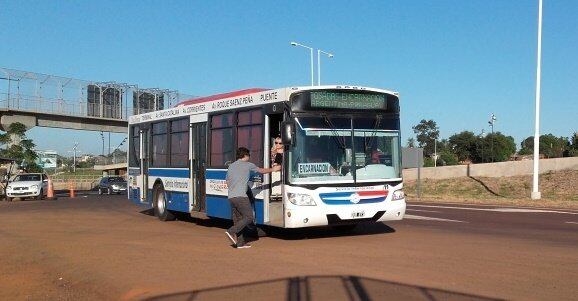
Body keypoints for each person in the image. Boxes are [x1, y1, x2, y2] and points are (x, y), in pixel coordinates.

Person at [225, 147, 281, 248]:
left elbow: (228, 182)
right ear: (245, 156)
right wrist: (274, 169)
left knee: (238, 219)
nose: (249, 157)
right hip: (241, 196)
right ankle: (231, 231)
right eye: (249, 155)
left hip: (231, 197)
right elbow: (261, 171)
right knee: (249, 217)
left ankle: (240, 243)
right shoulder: (248, 165)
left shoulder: (231, 166)